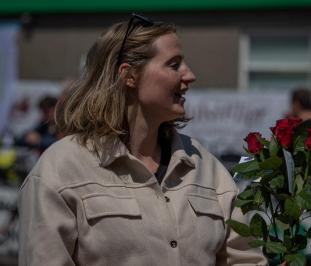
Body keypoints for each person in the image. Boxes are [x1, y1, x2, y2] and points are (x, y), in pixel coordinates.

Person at [18, 14, 267, 265]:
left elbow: (244, 258)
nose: (189, 75)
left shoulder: (206, 168)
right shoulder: (60, 170)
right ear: (129, 75)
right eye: (174, 64)